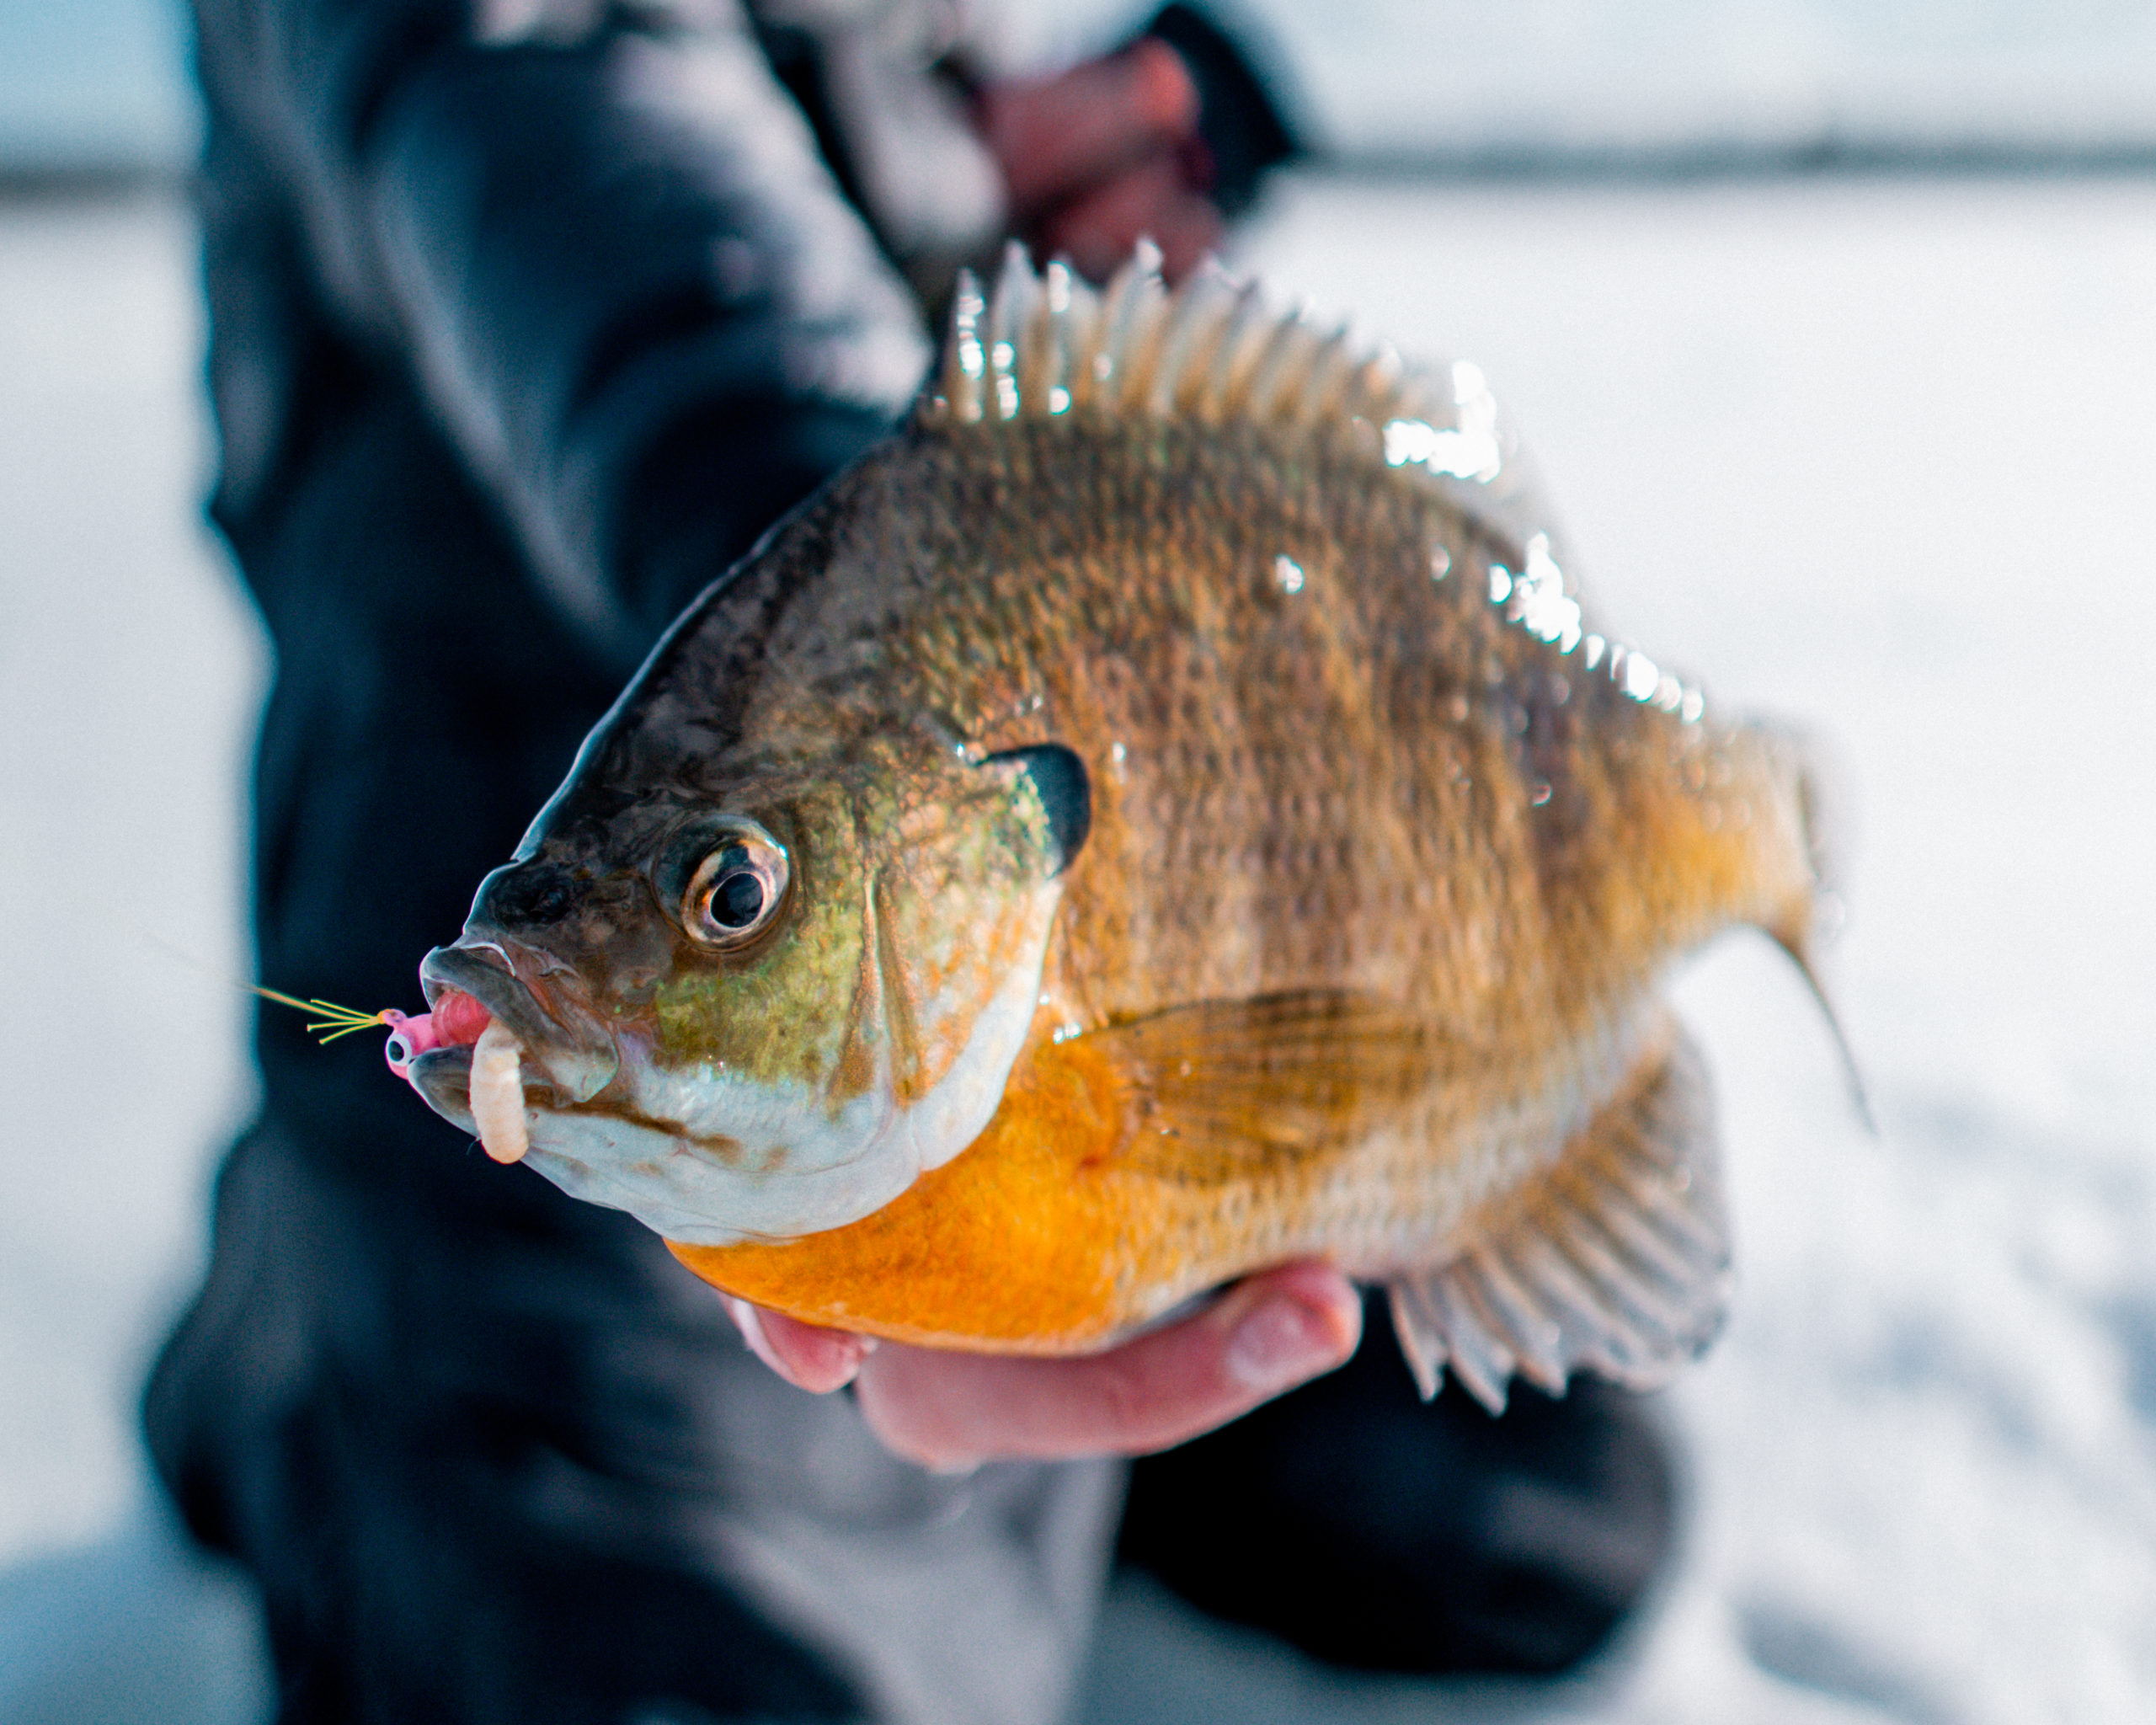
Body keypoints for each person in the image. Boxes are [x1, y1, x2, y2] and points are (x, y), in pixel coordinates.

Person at [145, 3, 1677, 1719]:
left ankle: (1038, 1328)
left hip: (949, 968)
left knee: (1530, 1516)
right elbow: (616, 211)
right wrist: (883, 606)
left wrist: (1008, 188)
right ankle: (302, 1341)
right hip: (545, 917)